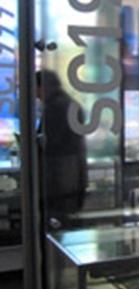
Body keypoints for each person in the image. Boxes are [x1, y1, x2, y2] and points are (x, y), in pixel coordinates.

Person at [36, 69, 87, 224]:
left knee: (60, 216)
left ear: (43, 87)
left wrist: (34, 143)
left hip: (60, 173)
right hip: (72, 172)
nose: (36, 95)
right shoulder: (69, 103)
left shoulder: (56, 106)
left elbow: (52, 140)